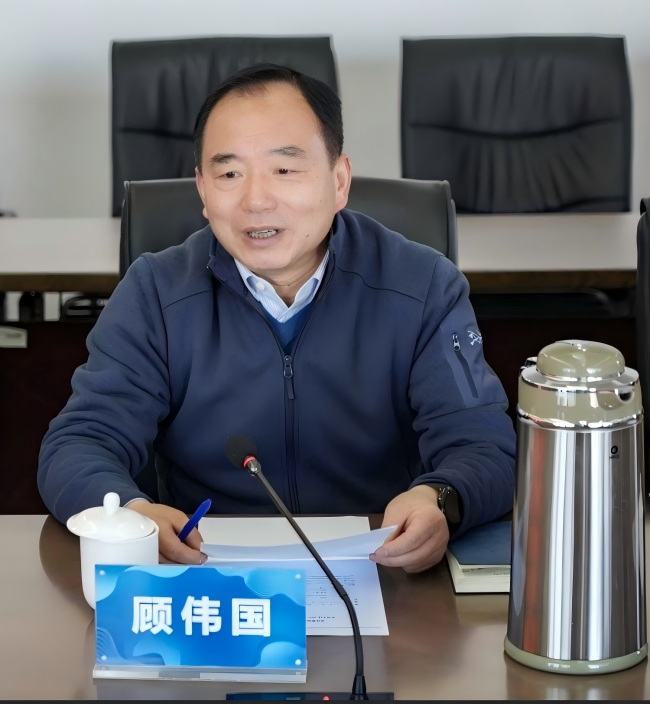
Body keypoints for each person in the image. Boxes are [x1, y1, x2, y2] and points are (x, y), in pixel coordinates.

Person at [38, 63, 516, 573]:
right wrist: (133, 516)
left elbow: (483, 445)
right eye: (229, 174)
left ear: (339, 180)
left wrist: (439, 498)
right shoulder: (155, 291)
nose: (256, 200)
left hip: (382, 567)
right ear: (202, 191)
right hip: (204, 571)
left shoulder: (423, 285)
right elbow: (79, 443)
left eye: (284, 170)